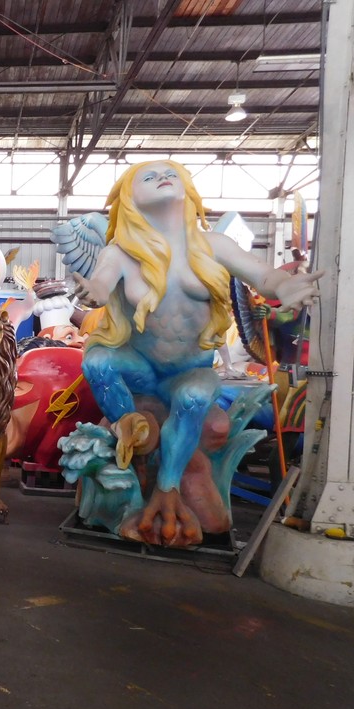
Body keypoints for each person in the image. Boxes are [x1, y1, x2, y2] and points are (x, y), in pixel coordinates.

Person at [73, 160, 323, 546]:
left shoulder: (213, 246)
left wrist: (284, 286)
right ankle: (131, 435)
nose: (162, 177)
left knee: (193, 397)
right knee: (96, 360)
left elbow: (263, 275)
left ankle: (168, 488)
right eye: (149, 176)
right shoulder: (121, 252)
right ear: (129, 196)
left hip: (189, 369)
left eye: (170, 173)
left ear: (187, 187)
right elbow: (102, 284)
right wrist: (93, 292)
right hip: (141, 367)